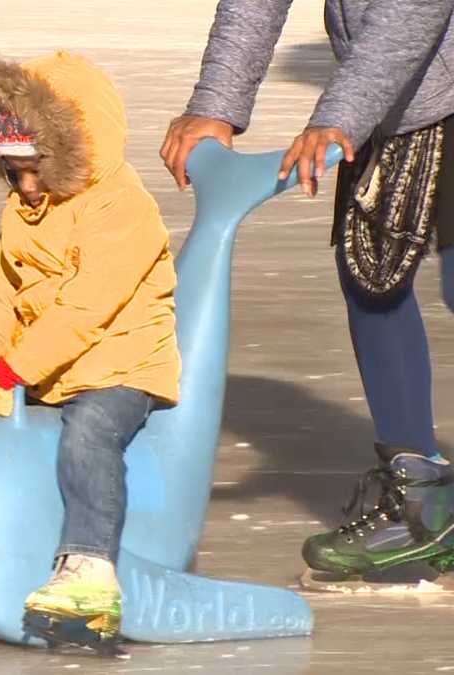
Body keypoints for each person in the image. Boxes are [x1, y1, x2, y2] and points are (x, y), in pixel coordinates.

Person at [161, 0, 454, 582]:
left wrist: (341, 114)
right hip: (386, 99)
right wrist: (216, 104)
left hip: (413, 81)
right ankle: (423, 501)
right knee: (372, 278)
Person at [0, 51, 181, 639]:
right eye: (11, 171)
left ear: (74, 151)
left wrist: (14, 367)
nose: (25, 187)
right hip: (46, 369)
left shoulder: (121, 209)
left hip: (121, 366)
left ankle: (89, 568)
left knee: (88, 438)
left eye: (35, 169)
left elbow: (84, 311)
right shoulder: (22, 211)